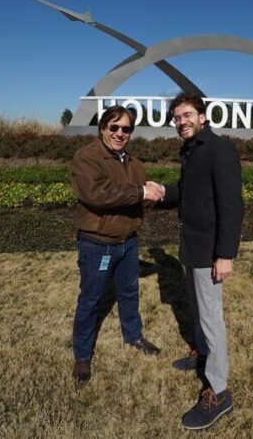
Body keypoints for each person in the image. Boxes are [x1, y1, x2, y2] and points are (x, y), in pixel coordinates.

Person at [159, 93, 244, 430]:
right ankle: (202, 352)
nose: (182, 122)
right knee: (197, 308)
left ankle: (218, 391)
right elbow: (186, 190)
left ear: (203, 116)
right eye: (177, 117)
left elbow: (232, 206)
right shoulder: (191, 150)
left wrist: (225, 254)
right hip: (192, 246)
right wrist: (161, 192)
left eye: (187, 115)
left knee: (211, 318)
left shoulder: (218, 149)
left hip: (210, 250)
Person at [70, 105, 164, 382]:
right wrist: (139, 191)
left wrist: (152, 193)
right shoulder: (86, 157)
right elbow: (98, 194)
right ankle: (83, 356)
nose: (120, 133)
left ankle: (133, 337)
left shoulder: (133, 163)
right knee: (91, 300)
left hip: (128, 242)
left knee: (129, 293)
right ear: (102, 128)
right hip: (98, 243)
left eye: (126, 129)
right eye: (114, 127)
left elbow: (135, 198)